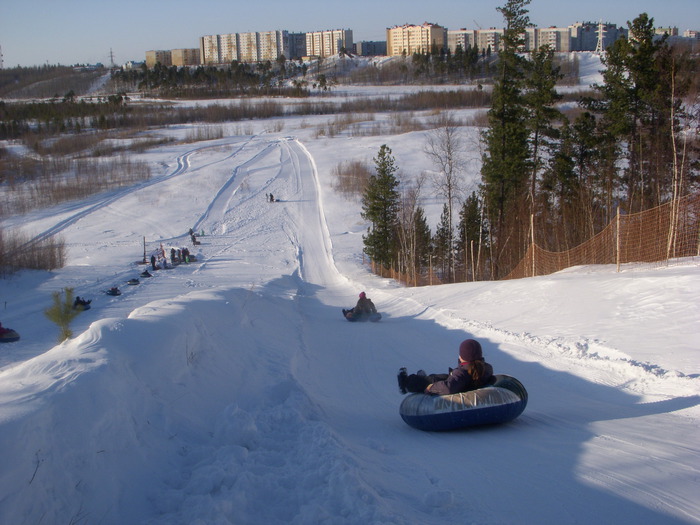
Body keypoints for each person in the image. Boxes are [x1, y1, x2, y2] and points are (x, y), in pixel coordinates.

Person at [398, 339, 494, 395]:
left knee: (429, 382)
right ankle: (424, 378)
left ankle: (406, 385)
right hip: (464, 384)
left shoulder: (462, 373)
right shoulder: (486, 368)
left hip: (459, 388)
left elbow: (449, 388)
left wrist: (431, 388)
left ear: (462, 357)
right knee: (441, 376)